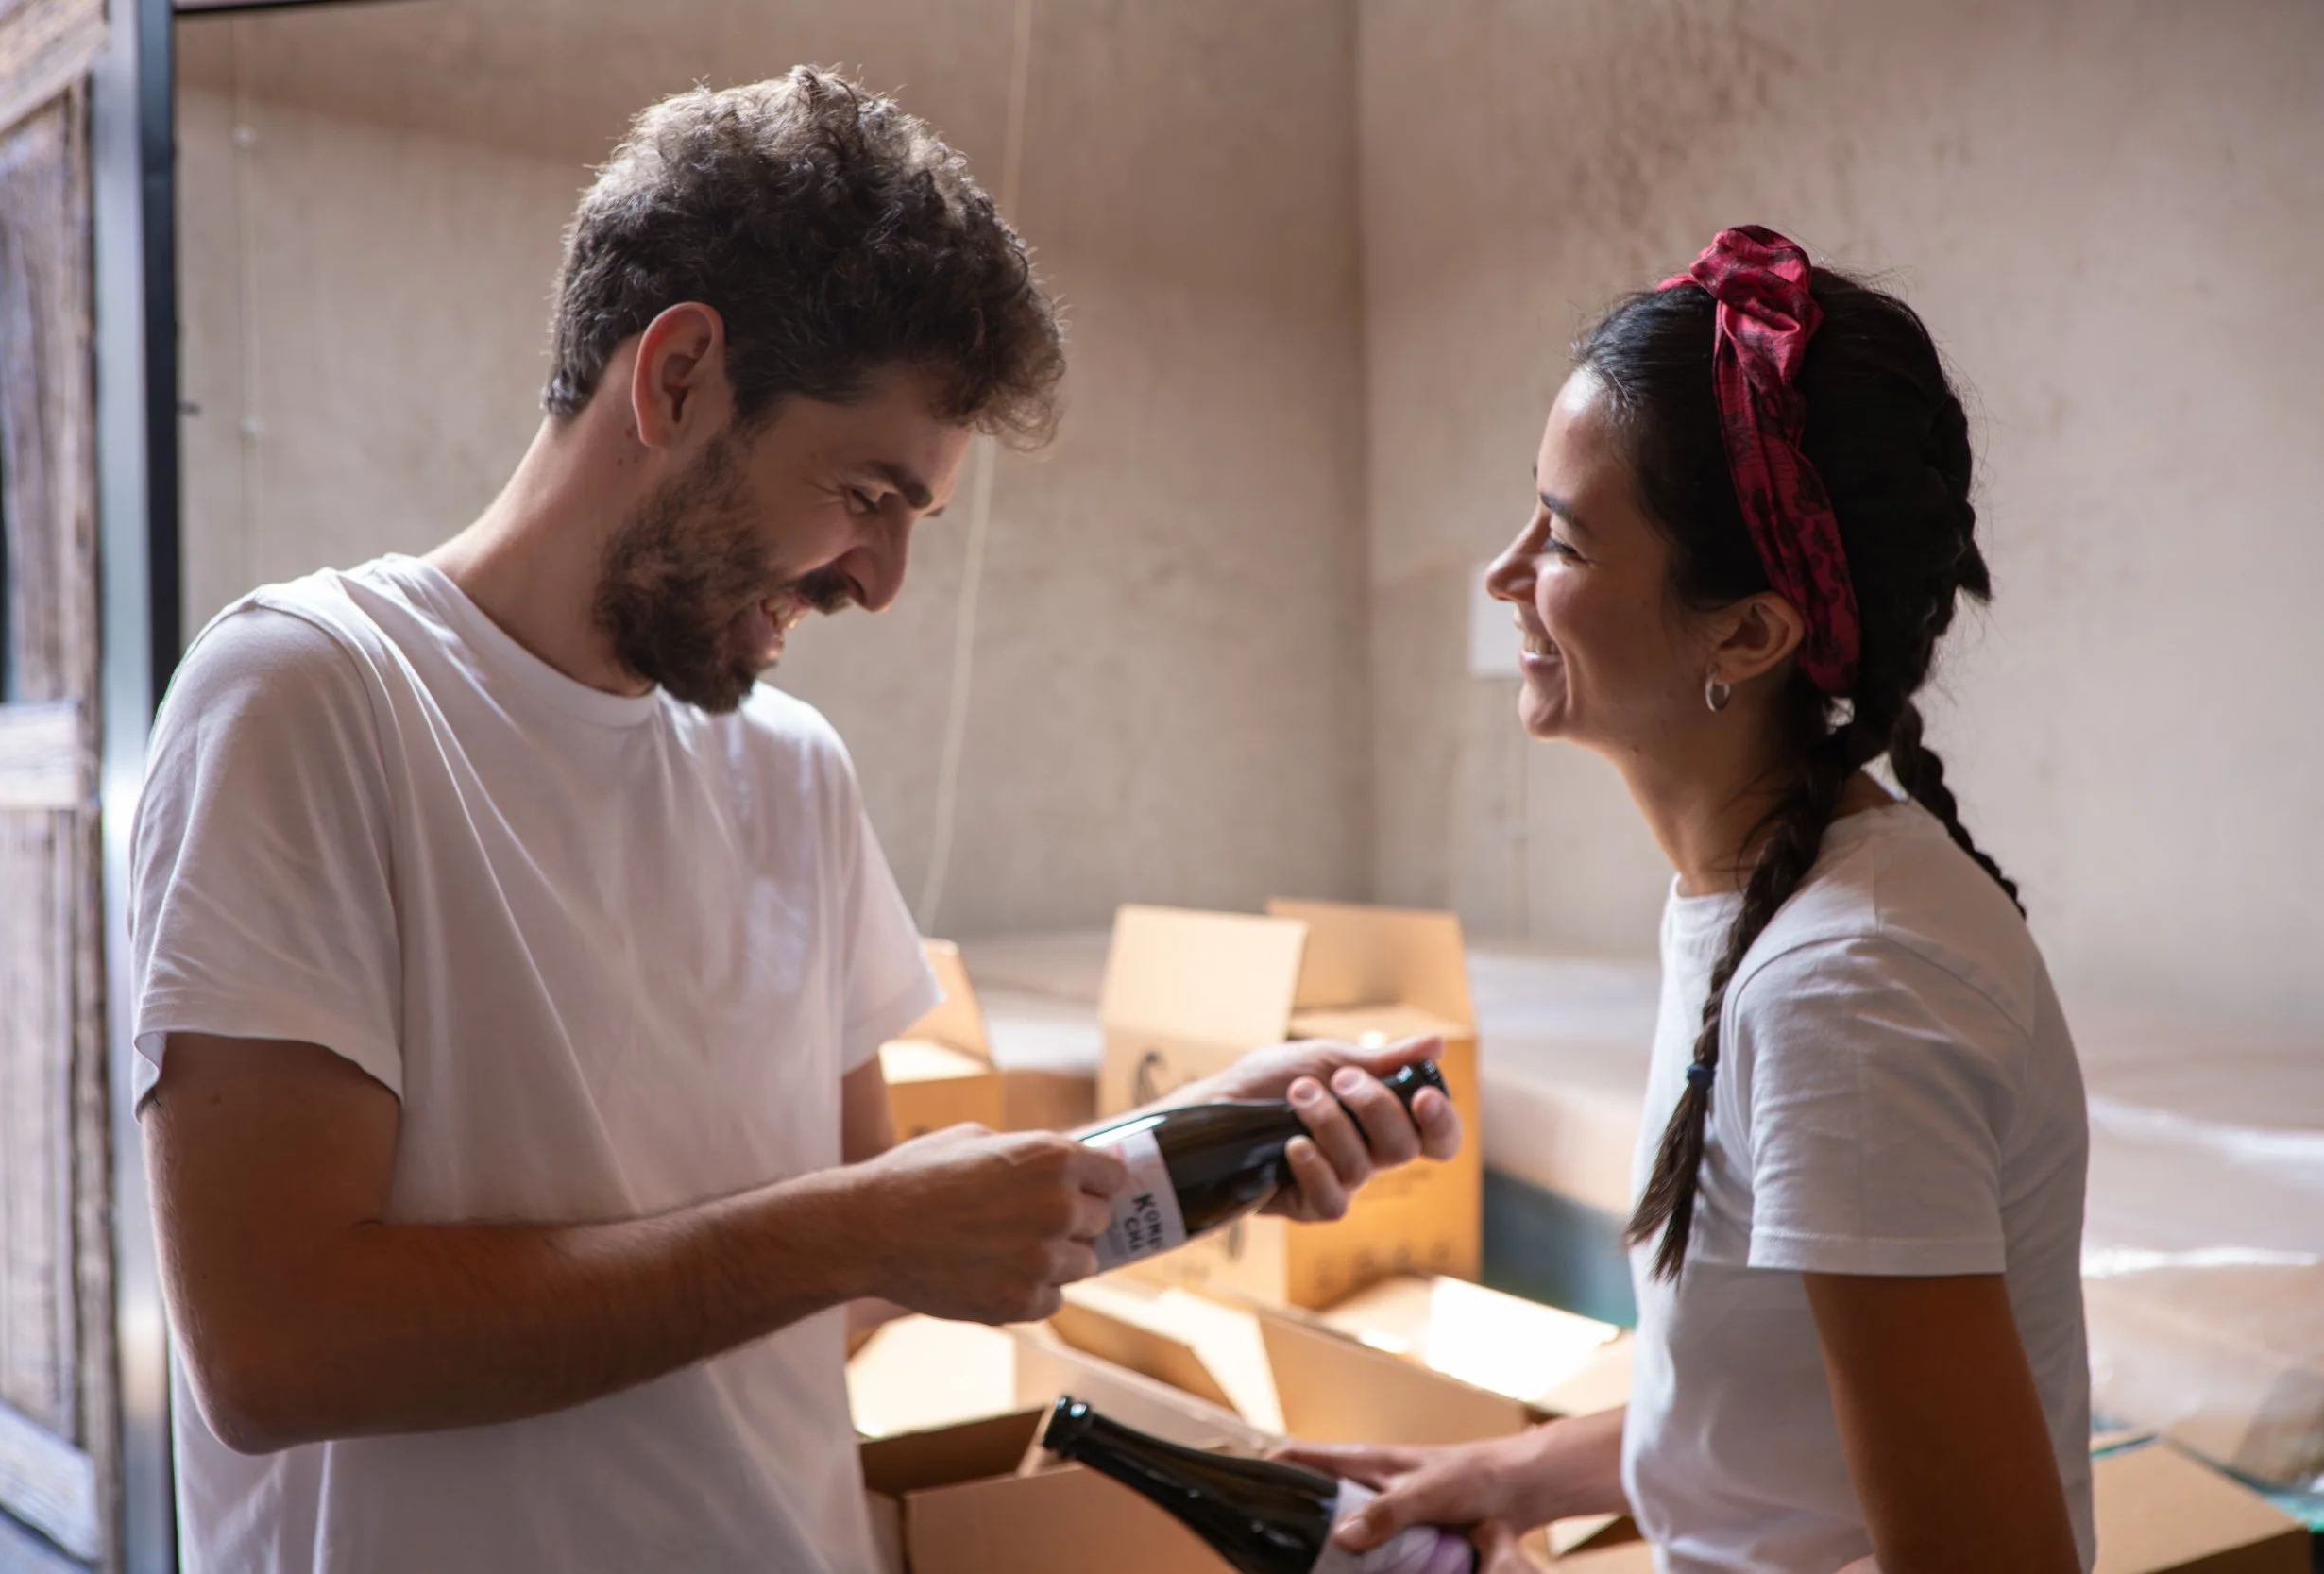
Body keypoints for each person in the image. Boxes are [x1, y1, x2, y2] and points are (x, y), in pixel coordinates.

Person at [130, 69, 1461, 1574]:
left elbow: (854, 1278)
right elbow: (280, 1348)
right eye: (865, 491)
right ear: (680, 373)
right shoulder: (311, 699)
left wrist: (1198, 1150)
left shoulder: (794, 771)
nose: (879, 582)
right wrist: (853, 1233)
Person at [1281, 228, 2091, 1574]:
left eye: (1568, 540)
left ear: (1750, 632)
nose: (1506, 574)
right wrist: (1508, 1473)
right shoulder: (1769, 907)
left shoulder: (1852, 989)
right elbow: (1784, 1418)